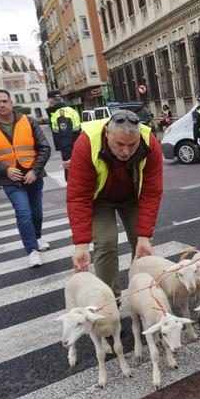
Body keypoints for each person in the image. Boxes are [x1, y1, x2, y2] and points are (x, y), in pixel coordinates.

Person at [66, 109, 163, 297]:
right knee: (106, 242)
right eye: (119, 144)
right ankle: (110, 298)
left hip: (133, 196)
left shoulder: (150, 142)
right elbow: (78, 196)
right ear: (107, 133)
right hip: (100, 199)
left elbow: (152, 192)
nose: (125, 151)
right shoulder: (87, 143)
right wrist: (81, 246)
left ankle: (146, 294)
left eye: (132, 145)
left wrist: (144, 236)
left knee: (142, 244)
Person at [0, 89, 53, 267]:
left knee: (37, 211)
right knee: (23, 212)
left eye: (4, 101)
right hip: (9, 179)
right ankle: (32, 250)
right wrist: (5, 171)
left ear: (11, 103)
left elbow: (44, 148)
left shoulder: (29, 121)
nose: (2, 105)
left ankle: (38, 236)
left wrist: (35, 170)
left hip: (33, 175)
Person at [46, 91, 81, 181]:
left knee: (71, 179)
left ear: (51, 101)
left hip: (71, 152)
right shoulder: (69, 110)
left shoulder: (62, 113)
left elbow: (65, 137)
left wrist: (66, 159)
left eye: (48, 101)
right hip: (75, 148)